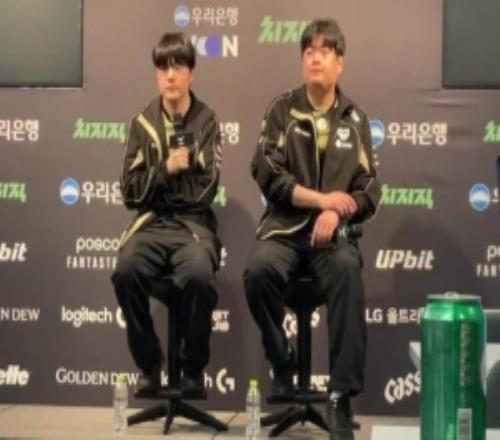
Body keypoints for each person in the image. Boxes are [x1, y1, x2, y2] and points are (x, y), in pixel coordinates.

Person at [243, 18, 380, 440]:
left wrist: (339, 214)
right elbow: (267, 173)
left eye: (324, 51)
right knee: (257, 271)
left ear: (340, 62)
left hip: (332, 239)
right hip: (284, 231)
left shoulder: (355, 119)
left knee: (347, 271)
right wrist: (322, 201)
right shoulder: (281, 110)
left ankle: (340, 397)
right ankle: (282, 362)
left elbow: (369, 189)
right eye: (308, 52)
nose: (315, 58)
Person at [111, 32, 222, 395]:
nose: (170, 75)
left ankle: (193, 369)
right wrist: (167, 169)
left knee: (200, 275)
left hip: (193, 226)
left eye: (178, 67)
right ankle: (149, 364)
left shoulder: (207, 121)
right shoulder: (141, 123)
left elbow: (205, 191)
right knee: (126, 270)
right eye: (163, 68)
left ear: (192, 73)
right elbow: (130, 192)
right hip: (150, 224)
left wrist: (158, 189)